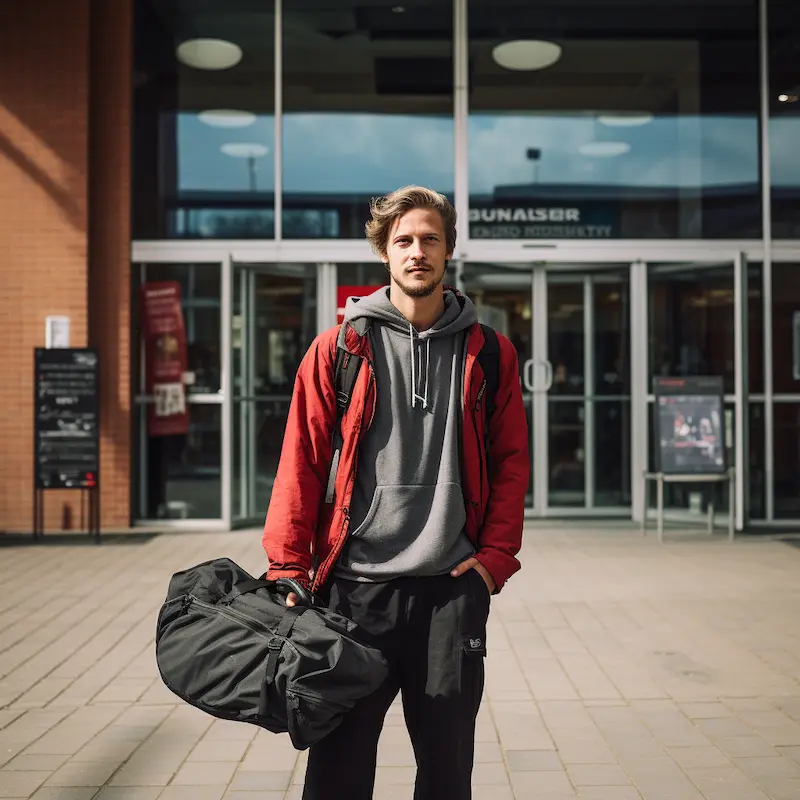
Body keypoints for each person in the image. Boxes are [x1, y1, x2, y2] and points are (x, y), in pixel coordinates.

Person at [262, 185, 530, 800]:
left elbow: (513, 461)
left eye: (430, 239)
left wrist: (492, 562)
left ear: (448, 252)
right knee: (339, 770)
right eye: (404, 240)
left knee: (446, 769)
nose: (417, 252)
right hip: (352, 594)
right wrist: (287, 565)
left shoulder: (489, 353)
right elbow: (300, 460)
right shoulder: (339, 349)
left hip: (449, 592)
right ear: (384, 252)